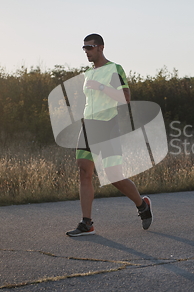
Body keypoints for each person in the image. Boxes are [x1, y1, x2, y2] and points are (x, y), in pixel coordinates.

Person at [66, 33, 152, 237]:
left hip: (108, 126)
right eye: (84, 48)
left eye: (90, 47)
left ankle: (142, 205)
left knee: (113, 175)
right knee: (84, 172)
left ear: (101, 48)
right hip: (88, 125)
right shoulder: (87, 73)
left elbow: (125, 98)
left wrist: (101, 87)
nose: (86, 51)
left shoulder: (114, 69)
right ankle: (87, 223)